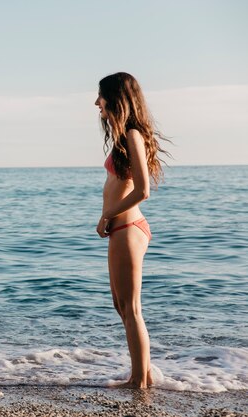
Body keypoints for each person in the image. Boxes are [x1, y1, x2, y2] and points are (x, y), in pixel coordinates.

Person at [94, 72, 169, 388]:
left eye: (101, 96)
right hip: (120, 228)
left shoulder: (133, 136)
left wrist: (106, 215)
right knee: (121, 305)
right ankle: (144, 374)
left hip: (127, 227)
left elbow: (142, 190)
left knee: (131, 308)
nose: (96, 102)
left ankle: (138, 380)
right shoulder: (124, 135)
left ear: (116, 99)